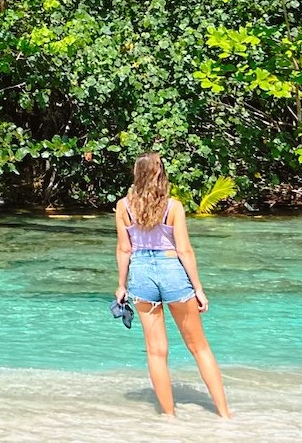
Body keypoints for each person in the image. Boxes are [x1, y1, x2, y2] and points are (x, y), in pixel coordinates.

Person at [114, 153, 232, 418]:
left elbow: (124, 249)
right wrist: (198, 288)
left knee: (156, 352)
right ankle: (225, 415)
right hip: (172, 272)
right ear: (160, 174)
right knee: (199, 348)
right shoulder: (173, 207)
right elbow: (184, 251)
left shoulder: (123, 207)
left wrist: (121, 286)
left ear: (137, 174)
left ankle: (169, 417)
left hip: (141, 275)